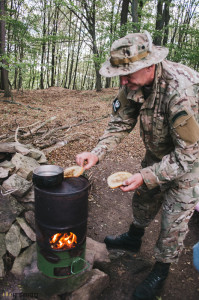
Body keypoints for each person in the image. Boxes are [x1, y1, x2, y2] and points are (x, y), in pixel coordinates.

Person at [76, 31, 199, 300]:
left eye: (128, 74)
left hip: (190, 165)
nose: (123, 81)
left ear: (149, 65)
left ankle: (161, 269)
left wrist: (145, 175)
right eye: (120, 74)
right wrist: (97, 153)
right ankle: (133, 238)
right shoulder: (133, 83)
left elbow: (188, 156)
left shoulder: (181, 93)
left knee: (173, 221)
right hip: (156, 156)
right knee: (143, 200)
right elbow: (120, 122)